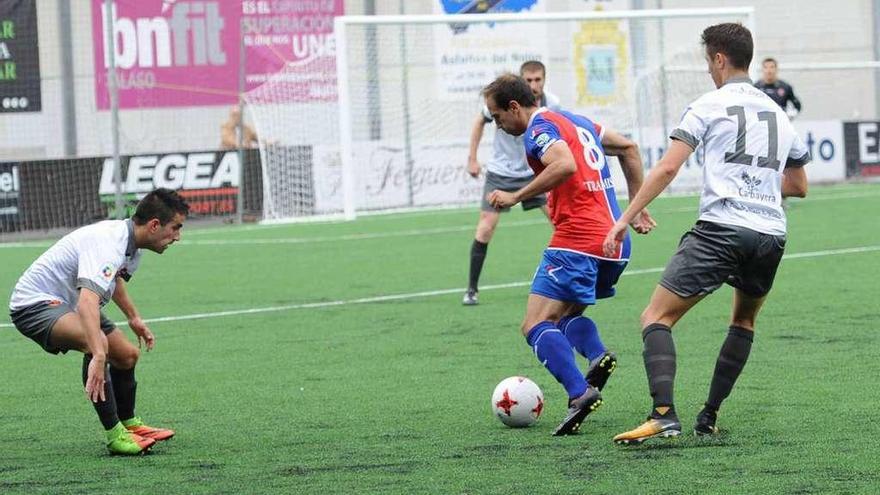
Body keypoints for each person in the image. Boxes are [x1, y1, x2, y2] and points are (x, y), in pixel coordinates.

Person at [603, 23, 810, 445]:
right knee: (744, 320)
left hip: (722, 230)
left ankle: (663, 414)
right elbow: (799, 185)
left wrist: (627, 216)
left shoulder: (708, 104)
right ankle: (709, 416)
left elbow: (667, 167)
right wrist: (758, 182)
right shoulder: (777, 113)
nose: (708, 71)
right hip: (770, 234)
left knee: (655, 317)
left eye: (708, 62)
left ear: (719, 59)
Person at [482, 73, 656, 435]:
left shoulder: (538, 127)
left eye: (497, 117)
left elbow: (564, 164)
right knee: (563, 318)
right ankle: (596, 355)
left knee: (534, 324)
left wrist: (515, 196)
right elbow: (630, 148)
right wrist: (635, 209)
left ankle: (580, 393)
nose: (498, 126)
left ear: (514, 107)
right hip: (615, 243)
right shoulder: (576, 120)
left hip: (578, 240)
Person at [8, 189, 190, 455]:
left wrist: (134, 318)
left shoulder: (132, 246)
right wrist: (97, 354)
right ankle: (115, 435)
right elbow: (87, 302)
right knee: (97, 344)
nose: (177, 236)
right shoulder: (110, 243)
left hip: (69, 302)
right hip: (34, 305)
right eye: (175, 228)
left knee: (127, 355)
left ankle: (129, 424)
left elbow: (112, 281)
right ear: (154, 225)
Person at [463, 60, 561, 306]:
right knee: (485, 227)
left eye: (538, 79)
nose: (534, 85)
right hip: (501, 172)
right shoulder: (504, 100)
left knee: (560, 221)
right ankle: (472, 289)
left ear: (544, 80)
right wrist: (472, 158)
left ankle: (566, 277)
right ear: (521, 82)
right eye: (528, 80)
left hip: (534, 172)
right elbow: (479, 121)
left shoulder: (552, 104)